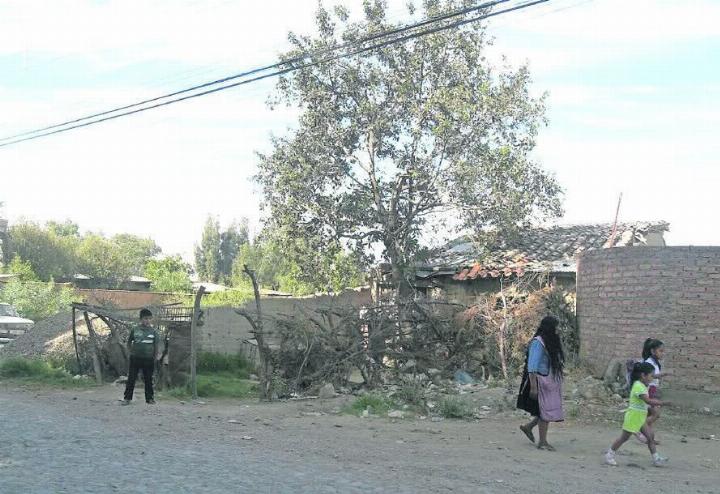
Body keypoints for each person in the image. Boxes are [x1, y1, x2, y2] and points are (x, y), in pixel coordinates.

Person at [605, 362, 670, 467]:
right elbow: (647, 401)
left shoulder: (642, 385)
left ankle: (656, 458)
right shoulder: (638, 386)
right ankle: (609, 455)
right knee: (624, 438)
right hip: (633, 417)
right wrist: (663, 403)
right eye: (651, 375)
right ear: (643, 375)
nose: (652, 378)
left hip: (640, 417)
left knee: (649, 437)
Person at [517, 315, 565, 451]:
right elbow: (532, 367)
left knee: (547, 410)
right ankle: (542, 442)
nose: (558, 330)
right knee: (545, 411)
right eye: (556, 327)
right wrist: (533, 387)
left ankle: (528, 427)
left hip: (549, 381)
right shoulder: (538, 343)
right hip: (540, 382)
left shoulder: (549, 341)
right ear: (550, 328)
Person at [122, 308, 159, 405]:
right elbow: (129, 342)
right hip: (135, 358)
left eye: (149, 319)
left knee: (148, 379)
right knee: (131, 378)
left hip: (148, 359)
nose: (148, 321)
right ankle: (127, 398)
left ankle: (150, 399)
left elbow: (156, 346)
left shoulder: (153, 332)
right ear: (141, 319)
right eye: (145, 318)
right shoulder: (135, 330)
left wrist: (154, 359)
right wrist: (130, 353)